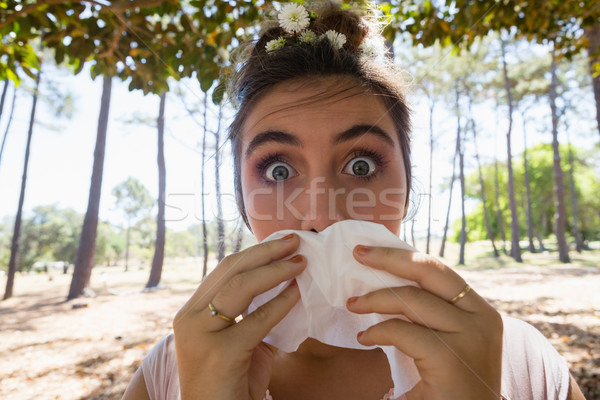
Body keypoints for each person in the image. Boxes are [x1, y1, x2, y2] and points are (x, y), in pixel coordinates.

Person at [122, 2, 586, 399]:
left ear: (407, 190)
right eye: (277, 171)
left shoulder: (520, 362)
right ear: (243, 201)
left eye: (361, 166)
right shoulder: (172, 373)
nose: (322, 217)